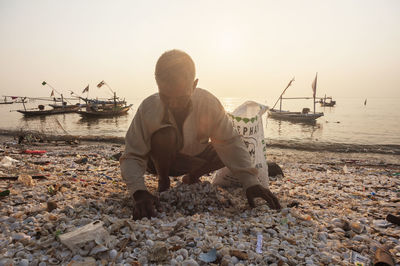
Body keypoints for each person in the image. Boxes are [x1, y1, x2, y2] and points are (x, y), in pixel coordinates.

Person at [120, 49, 281, 220]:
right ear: (158, 86)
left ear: (194, 85)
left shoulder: (209, 104)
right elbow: (132, 154)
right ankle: (163, 180)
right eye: (166, 97)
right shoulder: (148, 108)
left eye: (181, 97)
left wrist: (251, 182)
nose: (173, 104)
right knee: (164, 136)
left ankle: (192, 176)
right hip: (158, 161)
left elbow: (230, 143)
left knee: (227, 148)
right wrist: (139, 191)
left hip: (195, 160)